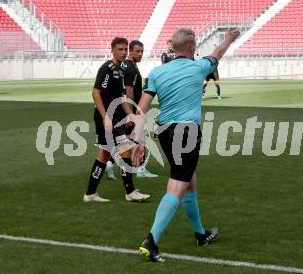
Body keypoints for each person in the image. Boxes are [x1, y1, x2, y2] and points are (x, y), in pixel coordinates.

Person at [134, 28, 240, 262]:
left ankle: (200, 234)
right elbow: (218, 53)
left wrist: (138, 138)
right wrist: (229, 38)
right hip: (186, 132)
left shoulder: (157, 72)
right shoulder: (199, 67)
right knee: (178, 186)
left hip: (163, 132)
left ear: (173, 47)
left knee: (189, 181)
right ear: (191, 48)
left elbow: (142, 108)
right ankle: (151, 241)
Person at [83, 37, 150, 203]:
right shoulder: (107, 68)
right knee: (125, 150)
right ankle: (130, 192)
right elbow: (96, 93)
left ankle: (91, 194)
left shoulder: (120, 71)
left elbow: (120, 98)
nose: (123, 52)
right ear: (112, 49)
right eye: (120, 49)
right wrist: (105, 117)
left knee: (104, 155)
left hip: (115, 117)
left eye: (125, 49)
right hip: (106, 118)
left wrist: (130, 114)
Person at [121, 40, 159, 179]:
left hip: (125, 110)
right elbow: (129, 91)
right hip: (134, 110)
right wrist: (131, 114)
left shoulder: (124, 65)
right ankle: (141, 170)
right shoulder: (131, 68)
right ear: (130, 51)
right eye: (137, 51)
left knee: (127, 139)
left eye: (142, 51)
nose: (140, 54)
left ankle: (110, 165)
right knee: (141, 139)